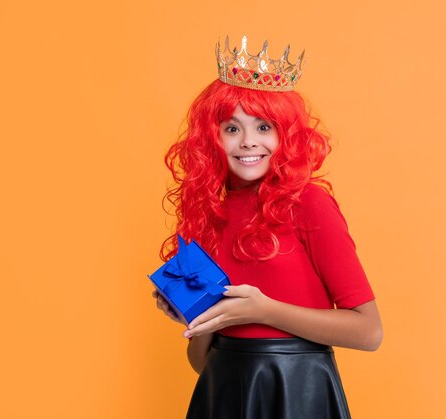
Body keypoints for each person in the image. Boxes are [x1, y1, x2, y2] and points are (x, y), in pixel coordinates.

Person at [151, 35, 383, 419]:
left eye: (263, 127)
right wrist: (197, 314)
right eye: (231, 128)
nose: (247, 143)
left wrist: (264, 310)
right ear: (212, 137)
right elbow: (199, 362)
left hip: (299, 391)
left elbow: (369, 332)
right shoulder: (206, 211)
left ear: (286, 135)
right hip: (221, 390)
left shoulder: (308, 204)